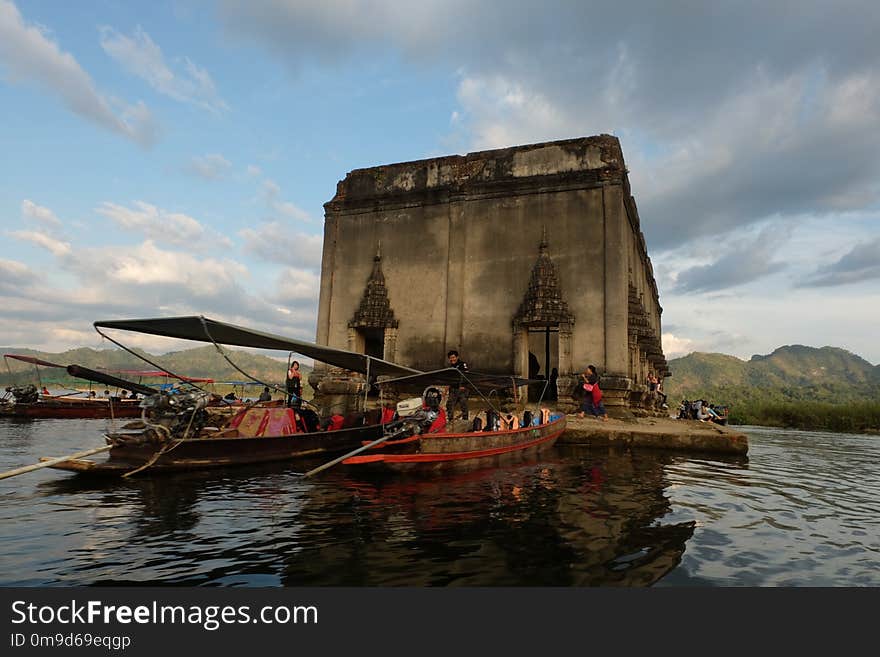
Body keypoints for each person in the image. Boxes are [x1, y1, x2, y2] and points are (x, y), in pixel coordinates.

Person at [445, 350, 469, 421]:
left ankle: (465, 420)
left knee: (463, 405)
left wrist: (463, 385)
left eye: (453, 357)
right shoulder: (450, 367)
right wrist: (447, 387)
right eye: (450, 358)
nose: (452, 359)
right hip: (453, 389)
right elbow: (450, 379)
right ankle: (450, 421)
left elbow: (466, 375)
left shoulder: (462, 364)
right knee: (449, 404)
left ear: (457, 357)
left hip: (462, 389)